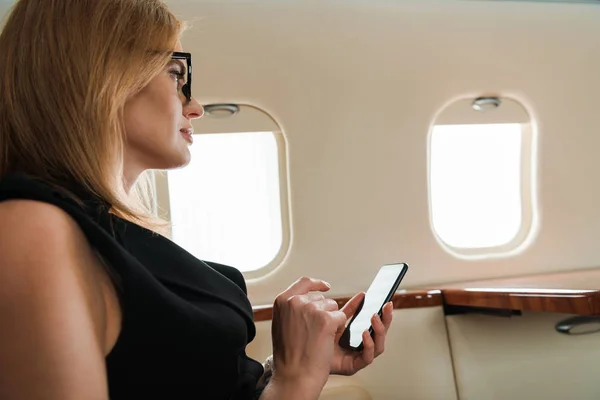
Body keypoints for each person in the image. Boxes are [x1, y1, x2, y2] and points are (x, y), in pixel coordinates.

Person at [0, 0, 394, 399]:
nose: (195, 107)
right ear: (100, 77)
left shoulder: (105, 230)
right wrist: (295, 380)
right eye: (176, 74)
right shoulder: (30, 230)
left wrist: (297, 360)